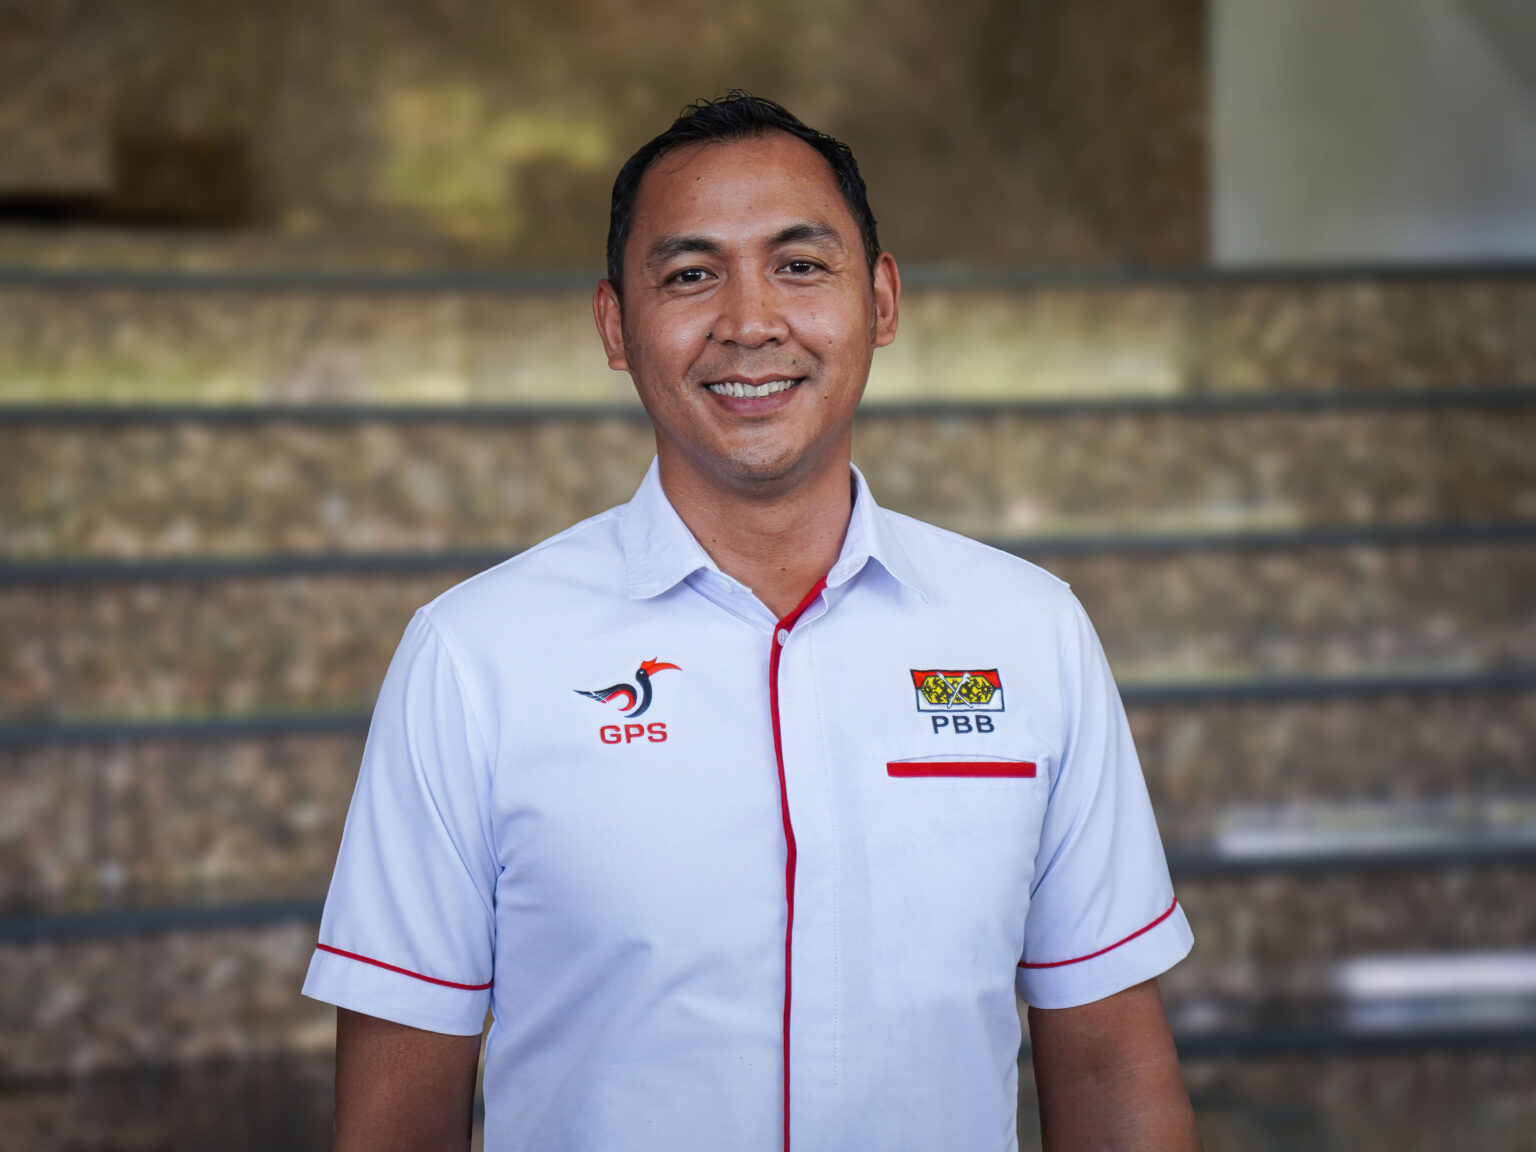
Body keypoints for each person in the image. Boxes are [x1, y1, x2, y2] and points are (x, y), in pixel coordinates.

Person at [304, 92, 1201, 1152]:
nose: (750, 323)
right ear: (615, 327)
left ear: (881, 300)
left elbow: (1108, 1065)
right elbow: (399, 1117)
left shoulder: (1029, 633)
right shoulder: (472, 657)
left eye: (800, 265)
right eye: (690, 276)